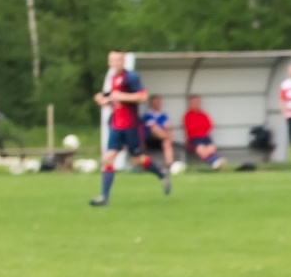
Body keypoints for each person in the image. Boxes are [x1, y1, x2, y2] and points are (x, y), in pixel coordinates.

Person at [89, 50, 169, 206]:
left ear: (123, 61)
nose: (115, 63)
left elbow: (142, 96)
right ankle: (104, 197)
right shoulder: (112, 78)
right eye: (112, 60)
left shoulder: (131, 77)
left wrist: (122, 96)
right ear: (109, 62)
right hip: (116, 126)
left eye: (118, 60)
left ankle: (161, 173)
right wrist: (103, 100)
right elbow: (113, 101)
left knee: (136, 160)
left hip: (131, 126)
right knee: (107, 158)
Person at [181, 96, 225, 170]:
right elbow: (190, 128)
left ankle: (215, 163)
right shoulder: (187, 115)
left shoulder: (203, 114)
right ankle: (215, 162)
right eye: (194, 103)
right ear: (190, 104)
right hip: (193, 138)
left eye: (198, 102)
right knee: (201, 149)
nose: (196, 104)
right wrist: (200, 127)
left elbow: (209, 125)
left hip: (205, 137)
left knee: (211, 148)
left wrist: (198, 127)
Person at [141, 94, 176, 172]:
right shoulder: (147, 115)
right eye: (155, 102)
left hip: (161, 140)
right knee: (155, 128)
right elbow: (152, 127)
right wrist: (166, 135)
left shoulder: (163, 115)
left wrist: (166, 134)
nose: (157, 104)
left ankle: (169, 164)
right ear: (151, 103)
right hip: (149, 139)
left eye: (159, 102)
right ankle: (166, 138)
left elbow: (167, 127)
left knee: (167, 141)